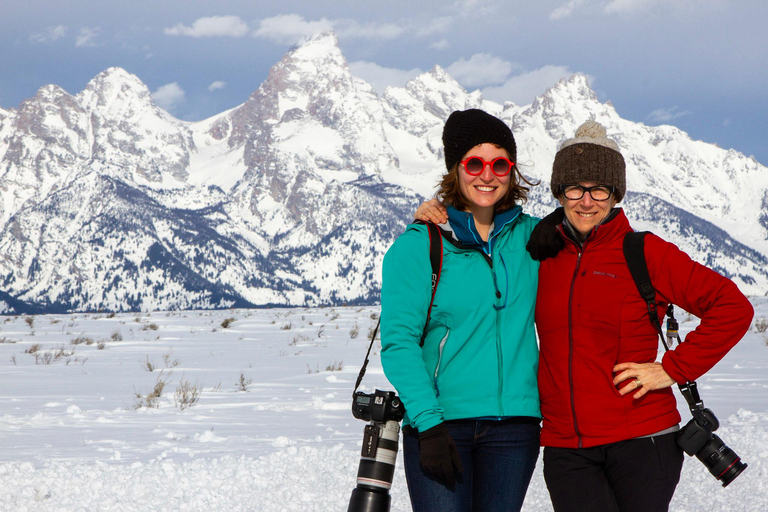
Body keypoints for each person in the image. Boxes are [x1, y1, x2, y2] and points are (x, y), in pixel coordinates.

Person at [414, 120, 754, 512]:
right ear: (560, 193)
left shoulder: (644, 253)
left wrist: (671, 369)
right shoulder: (542, 251)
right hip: (565, 448)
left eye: (600, 190)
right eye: (575, 189)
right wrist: (438, 213)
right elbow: (485, 230)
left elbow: (733, 308)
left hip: (642, 439)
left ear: (615, 194)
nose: (586, 201)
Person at [380, 109, 541, 512]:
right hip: (442, 424)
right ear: (455, 169)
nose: (487, 175)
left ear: (512, 171)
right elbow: (398, 343)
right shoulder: (420, 245)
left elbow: (593, 233)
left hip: (516, 430)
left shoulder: (537, 238)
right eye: (475, 163)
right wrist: (429, 423)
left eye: (499, 164)